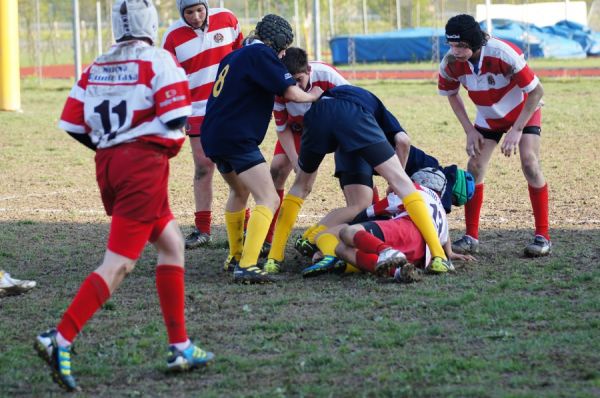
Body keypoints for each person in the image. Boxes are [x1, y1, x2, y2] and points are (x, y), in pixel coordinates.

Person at [34, 0, 214, 392]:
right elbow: (175, 118)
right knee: (119, 264)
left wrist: (113, 143)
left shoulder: (96, 64)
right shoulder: (158, 58)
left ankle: (180, 345)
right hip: (143, 167)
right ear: (150, 20)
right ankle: (60, 336)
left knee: (171, 246)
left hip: (109, 163)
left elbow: (73, 123)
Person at [263, 84, 453, 276]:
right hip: (355, 121)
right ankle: (438, 257)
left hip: (321, 117)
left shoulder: (325, 85)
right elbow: (403, 141)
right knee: (389, 190)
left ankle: (276, 256)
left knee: (308, 193)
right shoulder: (435, 210)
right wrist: (392, 184)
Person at [200, 15, 323, 284]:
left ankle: (235, 255)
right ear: (276, 42)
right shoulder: (261, 54)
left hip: (213, 134)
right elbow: (290, 92)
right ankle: (246, 265)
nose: (283, 54)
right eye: (283, 47)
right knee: (269, 198)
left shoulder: (234, 56)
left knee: (239, 191)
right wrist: (314, 96)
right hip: (237, 137)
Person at [439, 14, 551, 257]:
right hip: (488, 116)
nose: (454, 50)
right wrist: (469, 129)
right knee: (475, 166)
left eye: (460, 46)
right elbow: (451, 93)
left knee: (530, 163)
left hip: (523, 111)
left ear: (474, 42)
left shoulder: (502, 53)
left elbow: (536, 91)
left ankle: (543, 236)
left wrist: (517, 129)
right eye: (451, 44)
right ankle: (471, 237)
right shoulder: (450, 62)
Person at [292, 145, 476, 261]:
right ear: (452, 190)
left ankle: (316, 240)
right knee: (358, 209)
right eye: (453, 201)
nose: (449, 205)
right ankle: (313, 240)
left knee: (357, 213)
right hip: (360, 150)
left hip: (352, 148)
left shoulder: (428, 171)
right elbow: (438, 214)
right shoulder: (439, 181)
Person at [162, 0, 244, 249]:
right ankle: (202, 230)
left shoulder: (228, 19)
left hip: (229, 106)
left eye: (200, 10)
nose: (196, 16)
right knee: (203, 166)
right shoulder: (172, 36)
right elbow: (171, 78)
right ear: (181, 12)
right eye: (189, 12)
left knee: (238, 164)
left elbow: (243, 57)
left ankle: (245, 223)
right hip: (195, 111)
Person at [305, 168, 475, 281]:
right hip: (421, 255)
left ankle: (386, 251)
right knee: (341, 250)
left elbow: (369, 213)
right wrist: (450, 253)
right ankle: (399, 272)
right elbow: (444, 240)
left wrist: (353, 226)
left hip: (407, 230)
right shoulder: (441, 212)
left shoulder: (412, 189)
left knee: (347, 233)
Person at [263, 47, 351, 259]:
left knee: (355, 174)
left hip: (338, 125)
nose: (295, 87)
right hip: (299, 129)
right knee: (277, 168)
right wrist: (295, 160)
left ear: (309, 70)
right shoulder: (279, 87)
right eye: (290, 83)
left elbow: (353, 103)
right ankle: (268, 237)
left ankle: (368, 226)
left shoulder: (328, 75)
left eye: (299, 80)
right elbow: (282, 128)